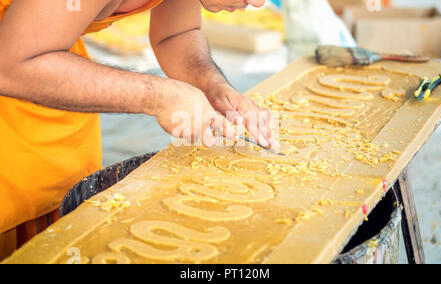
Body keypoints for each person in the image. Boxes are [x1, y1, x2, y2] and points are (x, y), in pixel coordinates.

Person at [0, 0, 276, 259]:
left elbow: (176, 34)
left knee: (62, 226)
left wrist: (213, 87)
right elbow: (11, 66)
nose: (259, 3)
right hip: (14, 104)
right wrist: (156, 95)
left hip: (48, 82)